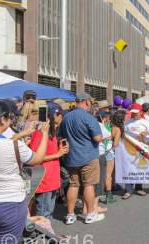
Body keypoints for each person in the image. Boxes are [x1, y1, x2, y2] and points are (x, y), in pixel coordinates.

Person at [0, 100, 50, 244]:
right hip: (10, 204)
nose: (11, 120)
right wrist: (44, 133)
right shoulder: (14, 146)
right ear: (2, 120)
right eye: (10, 117)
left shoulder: (13, 143)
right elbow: (37, 159)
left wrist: (23, 133)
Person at [57, 92, 104, 225]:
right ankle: (90, 214)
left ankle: (70, 215)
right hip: (88, 156)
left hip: (71, 156)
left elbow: (60, 137)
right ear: (87, 102)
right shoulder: (89, 117)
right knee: (89, 185)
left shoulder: (66, 117)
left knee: (73, 185)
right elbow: (98, 138)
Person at [30, 102, 69, 223]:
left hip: (52, 179)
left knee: (49, 212)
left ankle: (48, 236)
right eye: (60, 115)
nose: (61, 118)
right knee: (44, 214)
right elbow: (35, 157)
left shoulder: (51, 132)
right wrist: (57, 154)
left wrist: (60, 150)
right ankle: (42, 239)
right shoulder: (40, 133)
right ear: (54, 116)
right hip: (44, 180)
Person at [80, 110, 113, 215]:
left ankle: (85, 207)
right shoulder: (97, 124)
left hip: (84, 153)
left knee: (85, 181)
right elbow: (108, 136)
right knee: (98, 180)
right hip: (98, 153)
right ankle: (94, 206)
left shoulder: (80, 122)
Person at [123, 103, 149, 199]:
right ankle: (128, 190)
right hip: (129, 148)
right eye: (133, 113)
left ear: (140, 112)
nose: (134, 114)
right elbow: (123, 133)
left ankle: (139, 188)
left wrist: (147, 132)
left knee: (139, 167)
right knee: (129, 168)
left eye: (136, 113)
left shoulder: (145, 122)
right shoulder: (128, 122)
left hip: (141, 148)